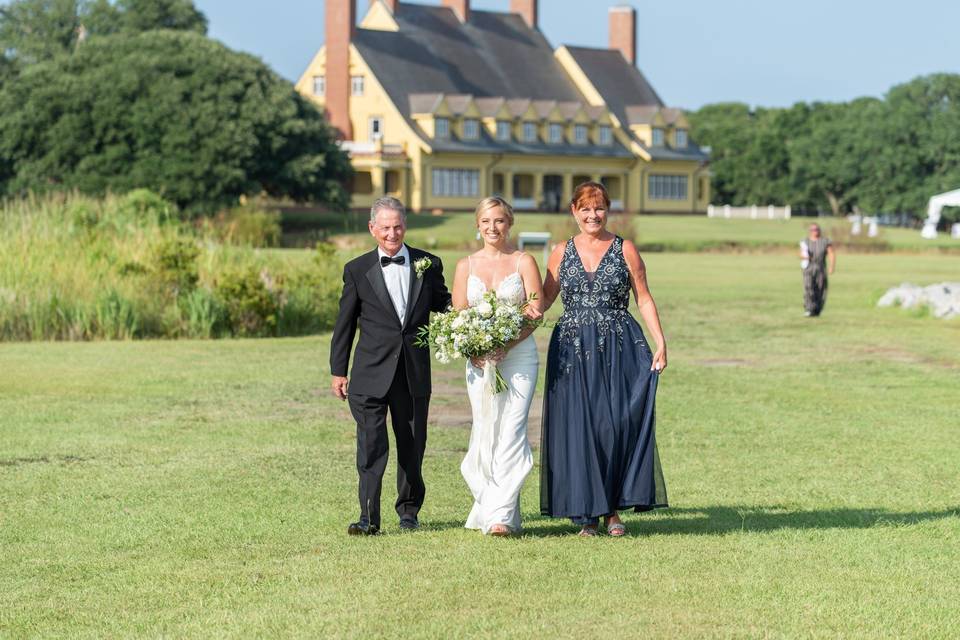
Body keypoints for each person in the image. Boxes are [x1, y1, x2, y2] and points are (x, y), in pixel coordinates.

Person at [539, 182, 668, 537]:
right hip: (571, 351)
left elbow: (643, 297)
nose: (592, 215)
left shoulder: (625, 249)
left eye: (598, 209)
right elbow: (544, 300)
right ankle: (587, 515)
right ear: (573, 212)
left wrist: (660, 341)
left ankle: (612, 511)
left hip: (618, 348)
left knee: (613, 425)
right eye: (585, 209)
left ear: (607, 211)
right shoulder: (560, 251)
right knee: (579, 428)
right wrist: (502, 326)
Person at [330, 197, 451, 536]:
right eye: (384, 227)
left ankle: (409, 513)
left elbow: (444, 306)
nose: (392, 233)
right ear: (372, 229)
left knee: (412, 445)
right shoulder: (357, 270)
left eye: (397, 226)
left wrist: (475, 319)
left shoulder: (429, 264)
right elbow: (345, 324)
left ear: (405, 226)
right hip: (370, 373)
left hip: (413, 373)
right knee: (371, 447)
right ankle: (368, 518)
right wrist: (338, 370)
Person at [451, 197, 544, 536]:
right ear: (478, 225)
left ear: (510, 224)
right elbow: (458, 316)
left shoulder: (524, 261)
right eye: (487, 221)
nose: (493, 227)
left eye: (500, 221)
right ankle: (493, 508)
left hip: (519, 358)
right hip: (478, 362)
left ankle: (500, 516)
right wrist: (474, 350)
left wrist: (505, 344)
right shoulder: (466, 266)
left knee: (512, 429)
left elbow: (536, 312)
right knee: (486, 430)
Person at [800, 223, 836, 317]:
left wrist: (832, 266)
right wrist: (805, 256)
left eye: (816, 229)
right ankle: (809, 308)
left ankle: (817, 309)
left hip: (820, 267)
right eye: (812, 229)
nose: (815, 231)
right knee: (808, 287)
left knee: (820, 288)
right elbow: (801, 254)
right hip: (808, 267)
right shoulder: (805, 241)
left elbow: (831, 253)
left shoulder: (825, 241)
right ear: (810, 231)